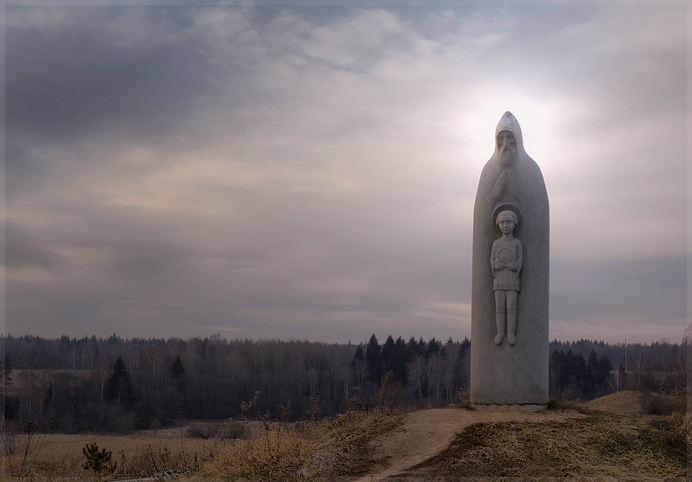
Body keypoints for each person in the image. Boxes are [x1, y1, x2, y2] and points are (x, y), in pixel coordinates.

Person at [490, 210, 522, 345]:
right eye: (502, 222)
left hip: (512, 279)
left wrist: (515, 266)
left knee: (511, 307)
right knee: (500, 307)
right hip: (499, 279)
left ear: (514, 224)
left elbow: (520, 257)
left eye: (508, 222)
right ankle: (500, 333)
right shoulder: (496, 243)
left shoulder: (517, 243)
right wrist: (495, 265)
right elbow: (492, 258)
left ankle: (510, 333)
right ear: (498, 224)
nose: (505, 225)